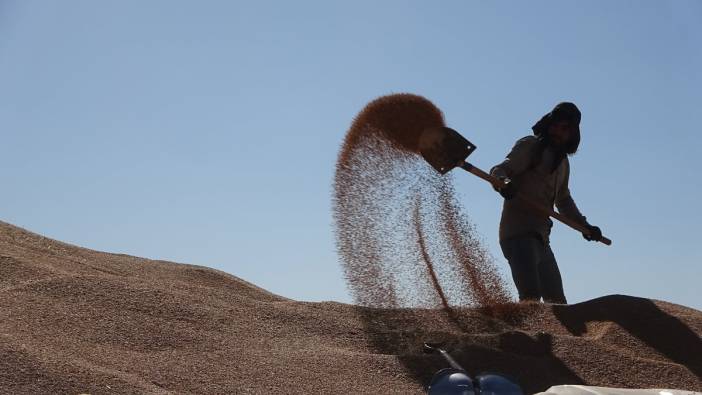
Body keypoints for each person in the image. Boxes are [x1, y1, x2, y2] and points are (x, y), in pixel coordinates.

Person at [490, 102, 603, 304]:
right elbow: (499, 170)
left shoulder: (563, 163)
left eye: (564, 129)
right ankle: (521, 336)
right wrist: (504, 184)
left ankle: (550, 336)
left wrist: (584, 225)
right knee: (531, 297)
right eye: (555, 125)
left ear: (572, 134)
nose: (557, 132)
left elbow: (564, 199)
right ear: (548, 124)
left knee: (557, 302)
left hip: (541, 240)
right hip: (518, 234)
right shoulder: (530, 146)